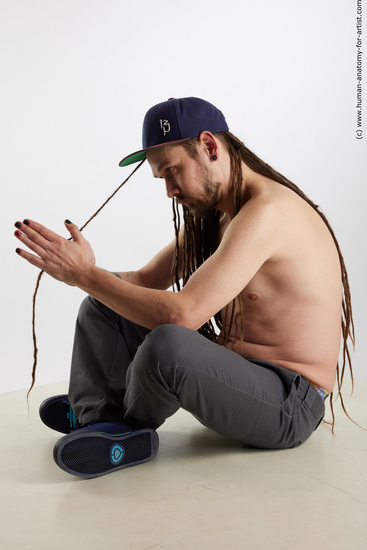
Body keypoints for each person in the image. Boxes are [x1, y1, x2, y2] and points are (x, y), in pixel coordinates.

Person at [14, 97, 354, 479]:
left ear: (209, 146)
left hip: (289, 403)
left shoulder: (268, 212)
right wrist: (86, 270)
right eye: (162, 178)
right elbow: (144, 281)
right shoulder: (218, 215)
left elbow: (183, 314)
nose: (170, 191)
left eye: (173, 171)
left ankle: (119, 423)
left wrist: (85, 276)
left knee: (168, 346)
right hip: (235, 377)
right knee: (102, 304)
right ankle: (100, 420)